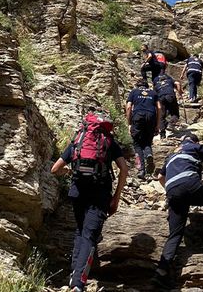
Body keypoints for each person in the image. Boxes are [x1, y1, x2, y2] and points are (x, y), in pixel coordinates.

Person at [51, 112, 129, 292]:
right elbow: (124, 169)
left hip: (77, 192)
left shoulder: (78, 141)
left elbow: (55, 169)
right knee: (89, 236)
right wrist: (116, 198)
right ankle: (79, 283)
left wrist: (70, 173)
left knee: (80, 231)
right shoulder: (109, 142)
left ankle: (74, 275)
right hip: (100, 194)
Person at [154, 134, 203, 289]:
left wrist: (172, 190)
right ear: (195, 141)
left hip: (172, 190)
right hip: (191, 183)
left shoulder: (172, 154)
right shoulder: (195, 147)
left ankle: (161, 272)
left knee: (175, 234)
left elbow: (160, 177)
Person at [126, 79, 162, 180]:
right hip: (151, 117)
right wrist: (158, 124)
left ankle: (141, 169)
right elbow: (159, 107)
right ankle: (149, 154)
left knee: (137, 143)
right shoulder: (153, 93)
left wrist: (129, 123)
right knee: (147, 142)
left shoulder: (134, 92)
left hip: (138, 116)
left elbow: (129, 107)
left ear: (138, 86)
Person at [153, 72, 183, 139]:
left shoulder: (156, 82)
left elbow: (154, 93)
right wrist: (180, 93)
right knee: (175, 113)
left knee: (161, 116)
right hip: (170, 95)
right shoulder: (169, 80)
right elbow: (177, 83)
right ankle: (171, 124)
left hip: (160, 98)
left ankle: (162, 134)